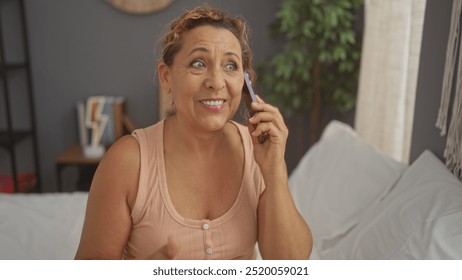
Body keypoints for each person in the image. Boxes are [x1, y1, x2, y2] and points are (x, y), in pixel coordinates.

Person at [75, 5, 312, 260]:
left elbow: (291, 266)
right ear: (166, 78)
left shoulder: (259, 154)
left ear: (244, 82)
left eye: (230, 66)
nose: (216, 82)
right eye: (198, 63)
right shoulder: (127, 162)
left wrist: (274, 171)